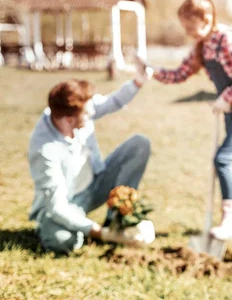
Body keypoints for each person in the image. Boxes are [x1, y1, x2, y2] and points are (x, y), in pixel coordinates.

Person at [137, 0, 232, 240]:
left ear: (206, 19)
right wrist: (152, 72)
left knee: (222, 159)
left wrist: (227, 96)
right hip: (231, 112)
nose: (189, 33)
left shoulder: (227, 41)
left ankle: (229, 221)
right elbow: (180, 74)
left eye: (191, 27)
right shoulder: (202, 46)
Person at [28, 65, 154, 255]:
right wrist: (101, 234)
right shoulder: (45, 150)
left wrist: (137, 82)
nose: (93, 113)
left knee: (139, 144)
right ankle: (55, 227)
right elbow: (57, 206)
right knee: (63, 241)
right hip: (68, 202)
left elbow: (113, 102)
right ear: (69, 119)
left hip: (95, 184)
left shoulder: (74, 110)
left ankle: (117, 219)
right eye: (87, 114)